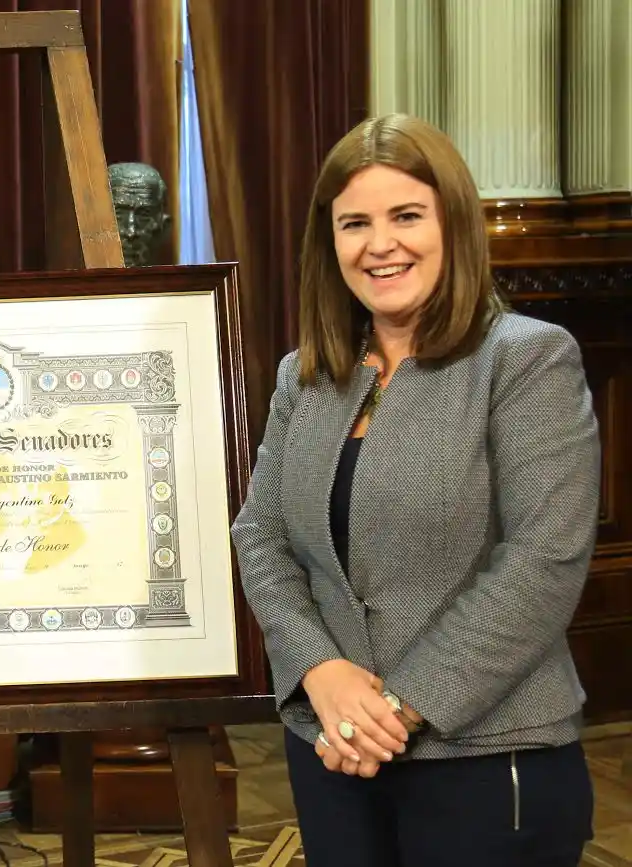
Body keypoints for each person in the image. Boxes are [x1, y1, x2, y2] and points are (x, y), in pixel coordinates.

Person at [231, 113, 600, 866]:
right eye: (354, 223)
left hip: (488, 759)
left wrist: (393, 711)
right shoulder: (306, 374)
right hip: (330, 749)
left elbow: (542, 561)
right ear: (328, 242)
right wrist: (322, 673)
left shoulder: (526, 360)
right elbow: (260, 536)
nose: (380, 244)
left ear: (453, 224)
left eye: (406, 216)